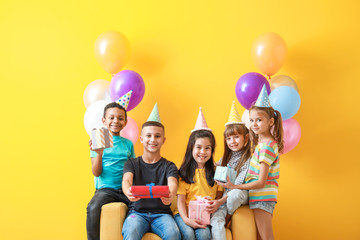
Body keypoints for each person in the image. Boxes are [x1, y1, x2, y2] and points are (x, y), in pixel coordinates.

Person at [228, 86, 283, 240]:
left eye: (259, 120)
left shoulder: (266, 147)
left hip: (263, 197)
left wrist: (235, 186)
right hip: (260, 197)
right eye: (251, 120)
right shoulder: (262, 143)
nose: (254, 124)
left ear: (271, 121)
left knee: (265, 236)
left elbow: (260, 181)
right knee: (260, 236)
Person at [121, 103, 181, 240]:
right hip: (136, 213)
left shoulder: (169, 166)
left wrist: (171, 193)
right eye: (148, 136)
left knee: (173, 234)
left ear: (163, 140)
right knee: (131, 231)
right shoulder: (131, 163)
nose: (152, 140)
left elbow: (172, 183)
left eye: (157, 136)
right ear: (141, 139)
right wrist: (128, 191)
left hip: (162, 214)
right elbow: (126, 181)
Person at [87, 91, 135, 240]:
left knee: (139, 210)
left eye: (120, 118)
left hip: (125, 189)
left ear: (125, 122)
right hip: (105, 190)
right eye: (111, 117)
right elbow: (96, 172)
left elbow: (132, 168)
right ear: (103, 120)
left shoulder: (128, 144)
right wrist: (99, 153)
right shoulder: (99, 140)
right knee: (93, 207)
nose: (116, 121)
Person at [174, 108, 223, 240]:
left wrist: (214, 206)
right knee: (189, 234)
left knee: (205, 235)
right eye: (198, 147)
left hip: (204, 216)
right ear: (191, 148)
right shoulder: (183, 173)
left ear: (212, 150)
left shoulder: (216, 172)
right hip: (183, 214)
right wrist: (186, 219)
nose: (203, 152)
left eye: (207, 148)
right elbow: (181, 201)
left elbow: (219, 197)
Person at [211, 102, 252, 240]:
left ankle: (228, 217)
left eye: (236, 137)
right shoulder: (226, 157)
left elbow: (237, 185)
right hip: (225, 197)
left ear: (245, 138)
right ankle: (222, 220)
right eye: (229, 138)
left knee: (234, 194)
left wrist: (220, 201)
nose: (232, 141)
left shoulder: (248, 159)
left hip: (239, 193)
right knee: (216, 220)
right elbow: (214, 166)